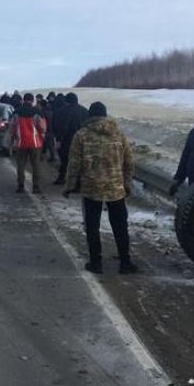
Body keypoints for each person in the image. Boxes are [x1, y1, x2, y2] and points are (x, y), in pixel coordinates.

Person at [64, 102, 137, 274]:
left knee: (92, 226)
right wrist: (126, 183)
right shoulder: (118, 134)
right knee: (120, 226)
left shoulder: (81, 135)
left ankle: (96, 263)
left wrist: (69, 185)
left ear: (89, 116)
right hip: (116, 187)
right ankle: (125, 262)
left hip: (91, 188)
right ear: (105, 115)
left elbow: (74, 163)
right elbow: (130, 162)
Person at [9, 93, 46, 194]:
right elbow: (42, 128)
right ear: (32, 100)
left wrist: (12, 140)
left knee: (21, 165)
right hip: (35, 143)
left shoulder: (17, 112)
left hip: (21, 143)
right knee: (36, 165)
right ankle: (36, 187)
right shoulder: (37, 112)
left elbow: (12, 127)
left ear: (23, 100)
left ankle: (21, 186)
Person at [52, 92, 88, 185]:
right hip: (82, 139)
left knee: (65, 160)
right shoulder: (84, 110)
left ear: (66, 101)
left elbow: (61, 127)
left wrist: (58, 139)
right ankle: (78, 182)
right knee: (79, 160)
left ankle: (62, 178)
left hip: (67, 139)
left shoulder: (62, 111)